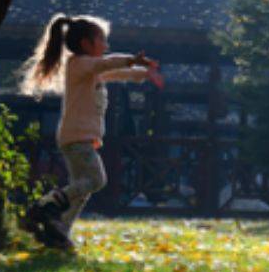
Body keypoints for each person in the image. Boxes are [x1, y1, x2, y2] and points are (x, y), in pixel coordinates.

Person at [18, 14, 164, 250]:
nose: (106, 46)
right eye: (102, 41)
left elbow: (114, 73)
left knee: (81, 188)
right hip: (77, 138)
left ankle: (59, 231)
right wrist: (132, 60)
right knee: (96, 180)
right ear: (86, 44)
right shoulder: (79, 65)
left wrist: (142, 73)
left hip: (78, 137)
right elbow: (107, 64)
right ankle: (46, 206)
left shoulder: (88, 70)